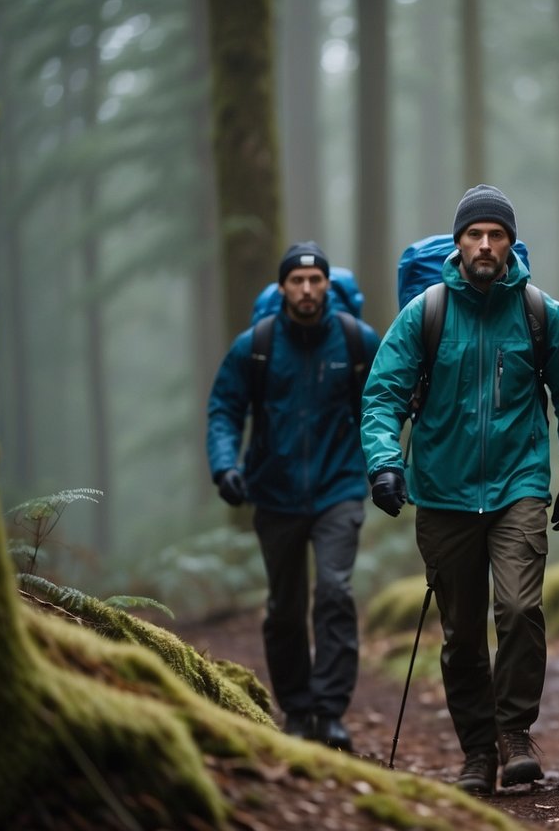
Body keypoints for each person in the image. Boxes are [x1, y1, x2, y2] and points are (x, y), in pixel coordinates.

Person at [359, 184, 559, 795]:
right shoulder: (426, 313)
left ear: (512, 243)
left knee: (518, 609)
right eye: (474, 235)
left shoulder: (543, 313)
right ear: (459, 243)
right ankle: (476, 752)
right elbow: (382, 395)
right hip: (442, 493)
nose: (485, 245)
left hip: (519, 486)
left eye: (496, 235)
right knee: (461, 633)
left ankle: (514, 731)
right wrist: (385, 462)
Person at [206, 240, 378, 753]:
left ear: (328, 285)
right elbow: (224, 409)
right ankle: (298, 710)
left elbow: (383, 403)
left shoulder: (355, 340)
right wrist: (224, 467)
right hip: (274, 493)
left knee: (335, 593)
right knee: (284, 608)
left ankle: (329, 712)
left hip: (339, 490)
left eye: (315, 280)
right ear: (282, 287)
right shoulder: (255, 345)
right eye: (297, 281)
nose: (307, 289)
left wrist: (384, 465)